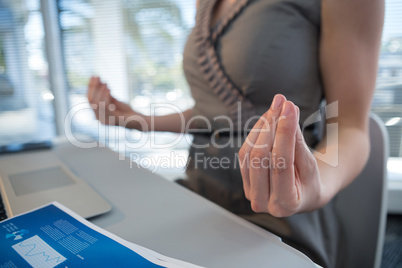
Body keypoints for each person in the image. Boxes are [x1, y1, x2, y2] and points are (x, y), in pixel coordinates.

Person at [87, 0, 384, 267]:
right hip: (200, 194)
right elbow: (217, 112)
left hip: (280, 213)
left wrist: (313, 185)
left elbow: (351, 127)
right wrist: (138, 121)